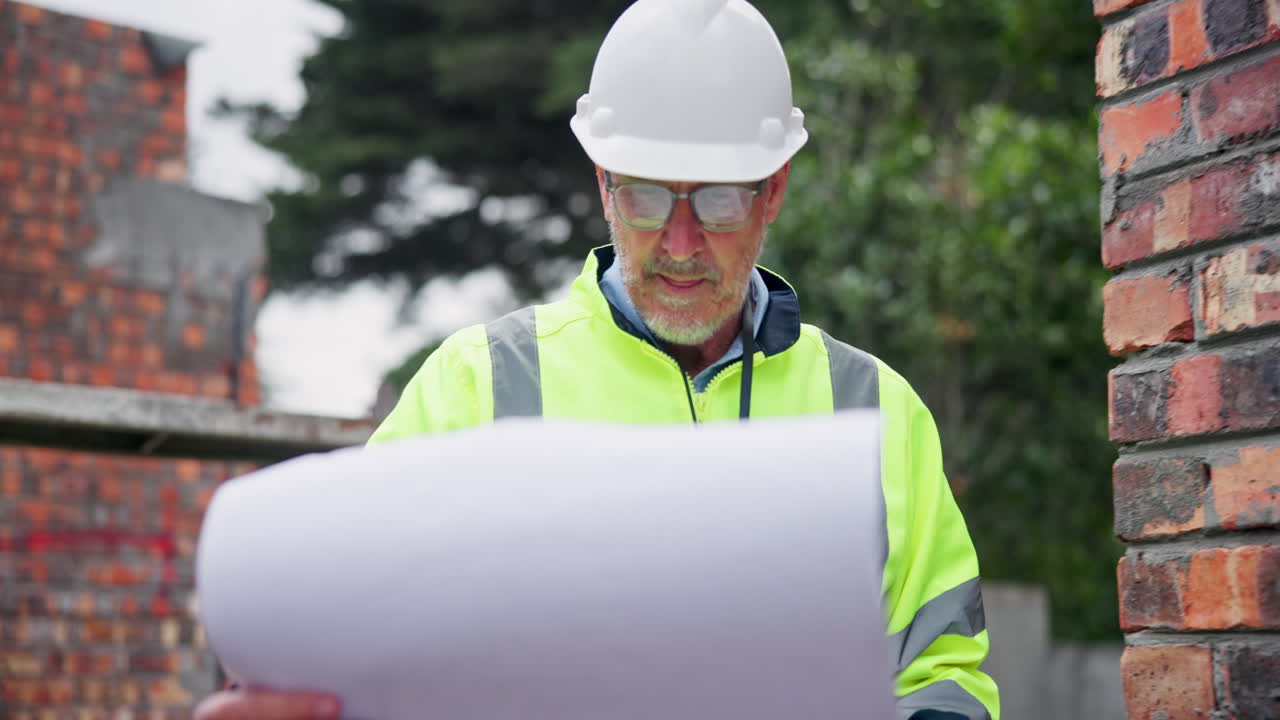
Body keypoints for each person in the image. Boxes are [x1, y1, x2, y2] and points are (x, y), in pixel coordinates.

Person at [195, 0, 1000, 718]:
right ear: (604, 184)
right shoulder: (477, 386)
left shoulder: (877, 412)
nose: (681, 245)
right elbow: (349, 642)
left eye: (719, 199)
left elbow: (945, 678)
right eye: (647, 196)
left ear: (774, 190)